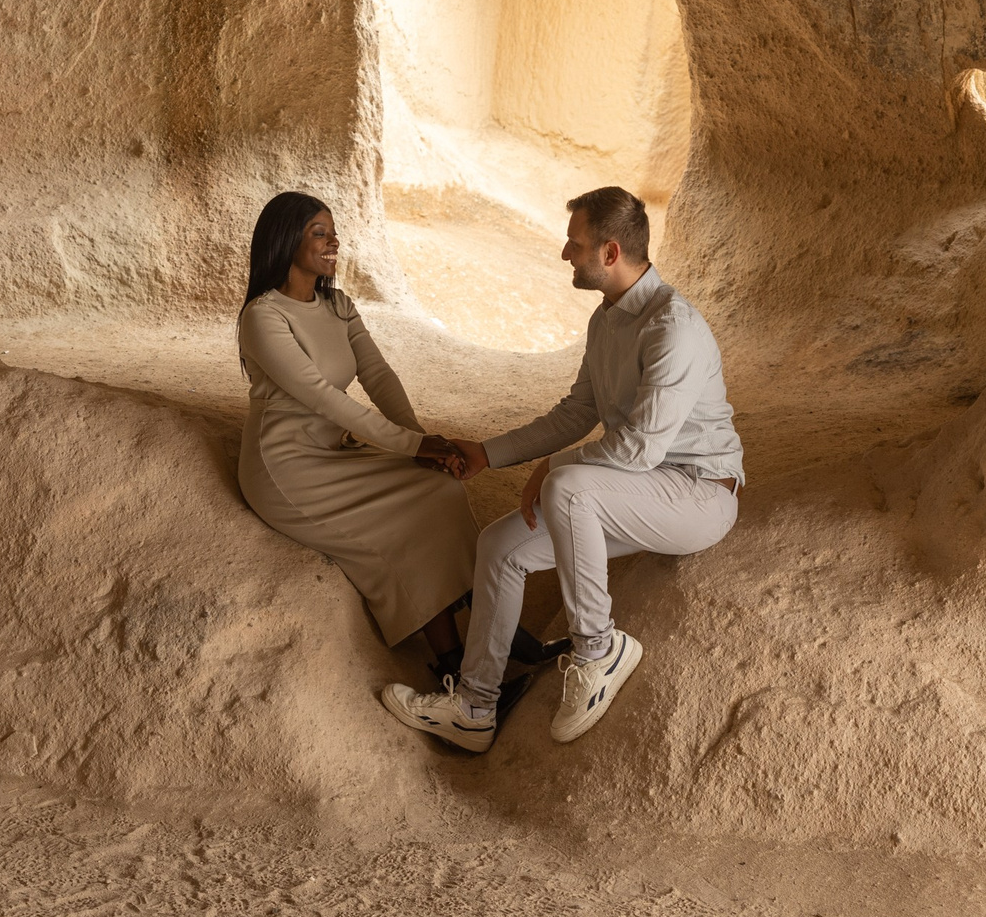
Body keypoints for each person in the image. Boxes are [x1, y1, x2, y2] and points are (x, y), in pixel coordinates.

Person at [381, 186, 742, 752]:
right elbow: (578, 412)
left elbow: (639, 451)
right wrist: (489, 452)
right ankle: (475, 706)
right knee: (501, 545)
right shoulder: (607, 321)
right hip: (636, 494)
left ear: (610, 251)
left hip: (698, 496)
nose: (564, 254)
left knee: (569, 485)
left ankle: (599, 650)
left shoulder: (673, 327)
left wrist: (554, 466)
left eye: (575, 244)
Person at [237, 191, 478, 678]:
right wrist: (412, 445)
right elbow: (325, 398)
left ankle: (485, 639)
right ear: (286, 241)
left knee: (439, 489)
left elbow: (378, 376)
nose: (334, 242)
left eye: (334, 232)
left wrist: (422, 442)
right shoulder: (263, 316)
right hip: (287, 467)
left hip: (333, 450)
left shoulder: (338, 305)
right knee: (406, 518)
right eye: (319, 233)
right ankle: (455, 665)